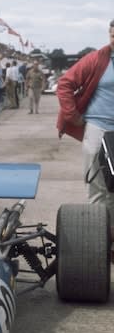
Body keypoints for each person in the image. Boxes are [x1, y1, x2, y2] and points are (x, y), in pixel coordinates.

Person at [57, 19, 114, 221]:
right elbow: (64, 83)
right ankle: (102, 234)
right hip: (98, 128)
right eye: (112, 35)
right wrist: (73, 115)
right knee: (98, 185)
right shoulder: (96, 58)